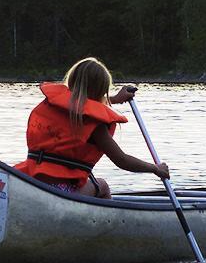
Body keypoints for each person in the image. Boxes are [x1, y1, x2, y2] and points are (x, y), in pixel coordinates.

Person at [15, 57, 169, 199]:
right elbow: (121, 160)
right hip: (61, 191)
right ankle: (108, 226)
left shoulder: (53, 105)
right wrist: (155, 169)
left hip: (31, 180)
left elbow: (83, 105)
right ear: (101, 90)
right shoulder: (95, 126)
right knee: (102, 185)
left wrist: (115, 99)